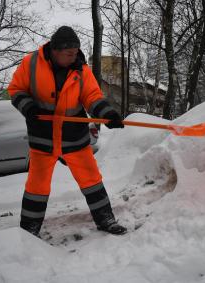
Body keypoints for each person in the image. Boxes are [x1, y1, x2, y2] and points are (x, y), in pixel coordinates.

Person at [7, 26, 127, 236]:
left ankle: (106, 219)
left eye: (75, 52)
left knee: (91, 179)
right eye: (69, 53)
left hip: (74, 137)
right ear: (55, 50)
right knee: (37, 186)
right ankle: (28, 230)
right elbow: (16, 90)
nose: (74, 57)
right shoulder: (31, 63)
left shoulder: (81, 69)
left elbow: (92, 97)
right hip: (42, 138)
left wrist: (108, 114)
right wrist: (29, 108)